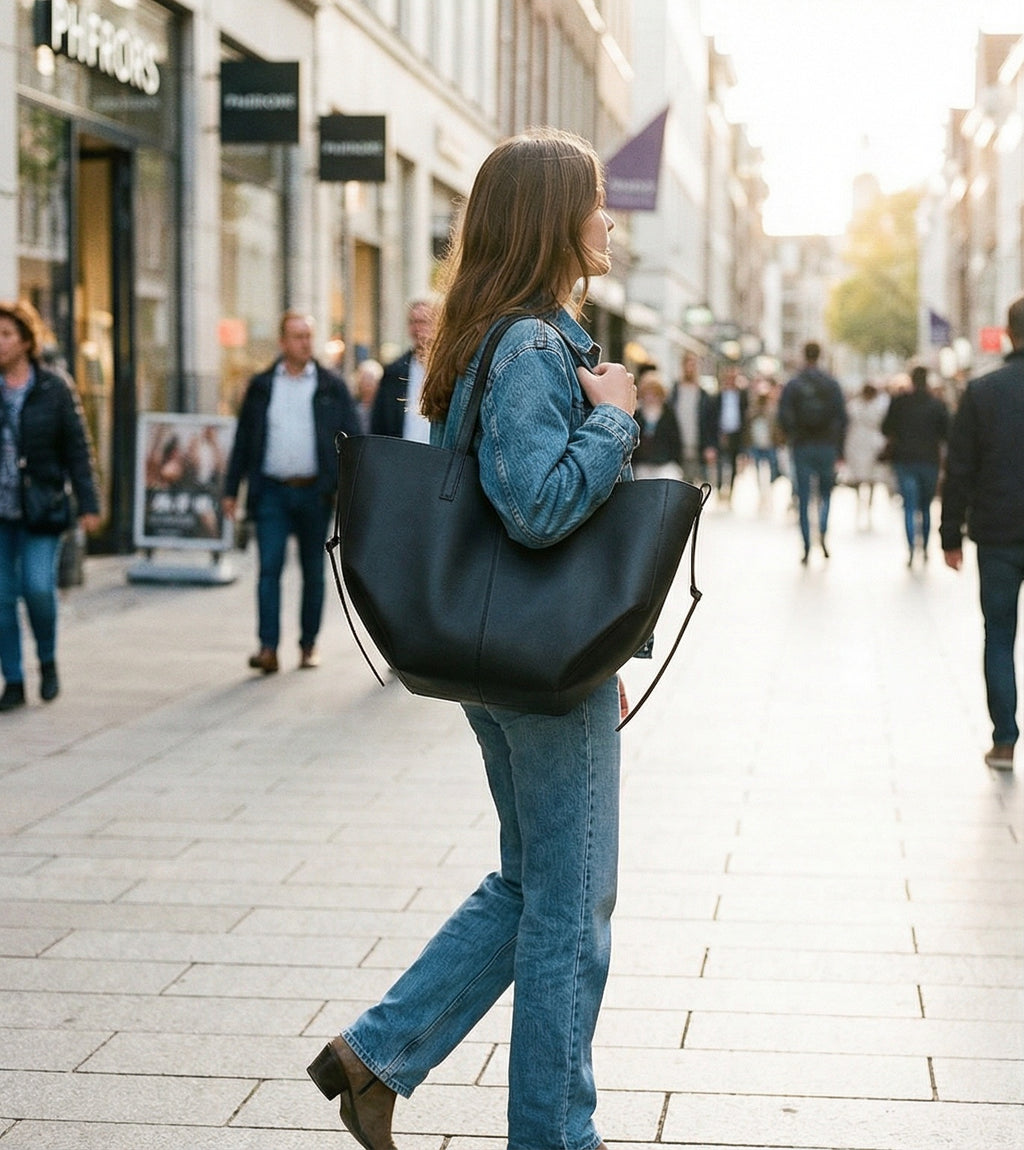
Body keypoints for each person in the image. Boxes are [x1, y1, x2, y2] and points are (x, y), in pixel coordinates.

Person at [306, 127, 639, 1150]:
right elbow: (535, 507)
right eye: (592, 201)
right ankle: (552, 1137)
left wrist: (595, 654)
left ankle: (375, 1055)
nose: (607, 219)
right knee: (571, 906)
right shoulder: (536, 342)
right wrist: (617, 419)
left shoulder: (487, 331)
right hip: (535, 665)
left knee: (533, 882)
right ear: (551, 218)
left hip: (511, 654)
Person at [222, 310, 359, 674]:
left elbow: (353, 439)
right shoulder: (263, 385)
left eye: (308, 336)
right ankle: (268, 647)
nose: (305, 343)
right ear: (282, 342)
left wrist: (345, 488)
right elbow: (244, 439)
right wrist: (231, 488)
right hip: (271, 492)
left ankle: (308, 644)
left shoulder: (332, 386)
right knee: (269, 569)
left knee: (314, 572)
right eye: (297, 336)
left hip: (315, 493)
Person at [0, 300, 100, 711]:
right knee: (3, 600)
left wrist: (89, 502)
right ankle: (14, 680)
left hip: (42, 508)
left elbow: (78, 448)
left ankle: (47, 658)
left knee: (38, 588)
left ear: (25, 341)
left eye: (5, 335)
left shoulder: (54, 386)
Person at [940, 295, 1024, 772]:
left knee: (999, 635)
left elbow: (961, 468)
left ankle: (1005, 740)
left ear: (1009, 334)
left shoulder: (982, 392)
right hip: (998, 530)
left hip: (998, 534)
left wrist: (950, 533)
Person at [777, 340, 847, 563]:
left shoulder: (794, 384)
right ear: (820, 356)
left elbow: (783, 416)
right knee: (826, 493)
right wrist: (839, 447)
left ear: (803, 355)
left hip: (802, 446)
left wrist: (793, 435)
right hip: (826, 446)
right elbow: (842, 418)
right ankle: (823, 532)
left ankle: (806, 544)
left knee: (804, 497)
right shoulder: (831, 384)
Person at [882, 365, 949, 567]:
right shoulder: (937, 404)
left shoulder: (900, 402)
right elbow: (946, 433)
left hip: (904, 460)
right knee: (925, 506)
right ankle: (926, 546)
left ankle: (911, 547)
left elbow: (886, 428)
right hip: (928, 460)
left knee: (909, 506)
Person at [370, 298, 437, 441]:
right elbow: (379, 424)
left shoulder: (448, 371)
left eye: (423, 322)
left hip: (438, 456)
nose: (418, 329)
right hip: (402, 456)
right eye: (413, 322)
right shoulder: (393, 373)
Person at [842, 380, 890, 528]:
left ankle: (863, 507)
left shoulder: (855, 406)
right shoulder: (879, 407)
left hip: (860, 444)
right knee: (868, 480)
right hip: (868, 444)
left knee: (865, 479)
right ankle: (865, 507)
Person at [707, 361, 748, 503]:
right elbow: (713, 416)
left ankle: (730, 490)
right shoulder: (718, 396)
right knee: (720, 462)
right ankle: (719, 488)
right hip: (721, 431)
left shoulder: (742, 396)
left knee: (732, 461)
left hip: (736, 432)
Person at [671, 350, 714, 483]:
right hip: (676, 444)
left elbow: (710, 423)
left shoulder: (703, 395)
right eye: (687, 364)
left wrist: (710, 446)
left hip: (696, 445)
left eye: (693, 364)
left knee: (692, 484)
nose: (690, 368)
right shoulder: (675, 391)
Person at [632, 369, 683, 479]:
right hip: (643, 465)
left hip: (665, 464)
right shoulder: (637, 414)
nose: (651, 397)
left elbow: (675, 441)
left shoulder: (668, 414)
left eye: (654, 393)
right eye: (647, 393)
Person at [351, 358, 384, 434]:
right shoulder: (352, 407)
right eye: (363, 379)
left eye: (370, 379)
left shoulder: (385, 411)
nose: (366, 383)